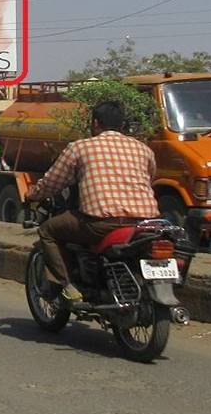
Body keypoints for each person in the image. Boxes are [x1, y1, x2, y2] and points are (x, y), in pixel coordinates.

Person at [24, 101, 159, 303]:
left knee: (47, 231)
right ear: (122, 124)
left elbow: (53, 182)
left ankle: (68, 286)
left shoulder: (80, 147)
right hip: (145, 222)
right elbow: (151, 178)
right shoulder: (143, 149)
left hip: (101, 223)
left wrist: (33, 194)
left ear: (95, 123)